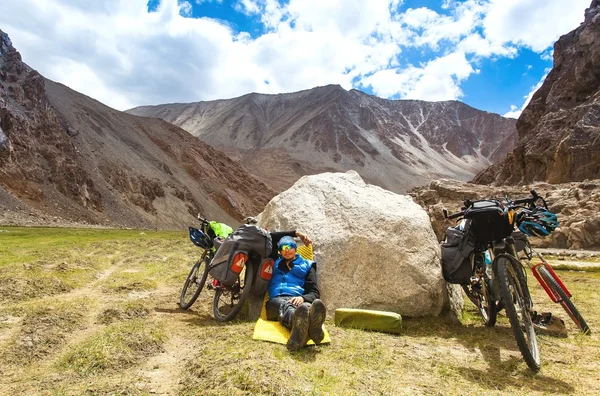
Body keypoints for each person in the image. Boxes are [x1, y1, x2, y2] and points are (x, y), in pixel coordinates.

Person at [265, 236, 326, 351]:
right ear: (279, 251)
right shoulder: (275, 263)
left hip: (297, 299)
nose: (286, 250)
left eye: (289, 247)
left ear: (295, 248)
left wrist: (302, 298)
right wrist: (296, 233)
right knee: (289, 306)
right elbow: (270, 236)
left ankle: (303, 330)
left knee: (306, 307)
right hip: (276, 302)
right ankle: (303, 322)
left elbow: (314, 292)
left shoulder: (307, 265)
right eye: (282, 248)